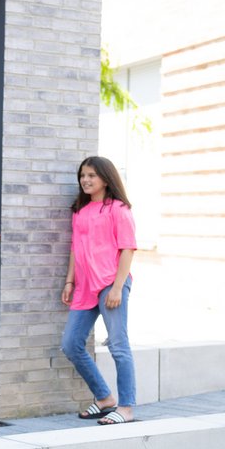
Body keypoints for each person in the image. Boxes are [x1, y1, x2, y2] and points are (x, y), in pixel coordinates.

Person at [61, 156, 137, 425]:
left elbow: (127, 248)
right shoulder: (80, 211)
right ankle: (105, 398)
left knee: (118, 345)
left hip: (110, 283)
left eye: (92, 175)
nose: (86, 180)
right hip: (84, 287)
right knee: (70, 344)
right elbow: (75, 248)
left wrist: (117, 287)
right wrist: (70, 281)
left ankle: (126, 407)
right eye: (82, 175)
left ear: (106, 178)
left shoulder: (118, 209)